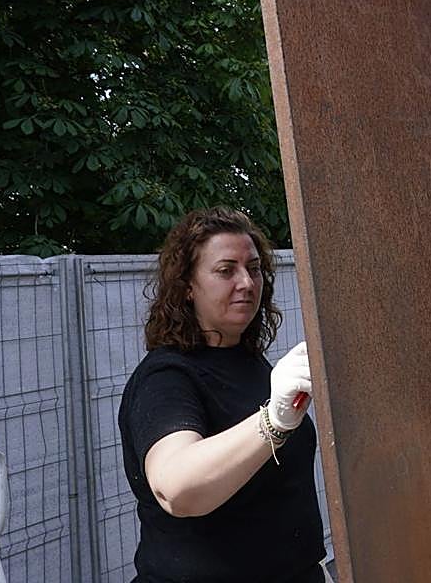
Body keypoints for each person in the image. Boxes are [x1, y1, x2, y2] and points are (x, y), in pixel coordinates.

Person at [118, 207, 327, 583]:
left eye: (253, 267)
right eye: (226, 270)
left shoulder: (251, 364)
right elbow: (176, 488)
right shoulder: (166, 377)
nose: (246, 282)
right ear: (187, 286)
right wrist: (273, 421)